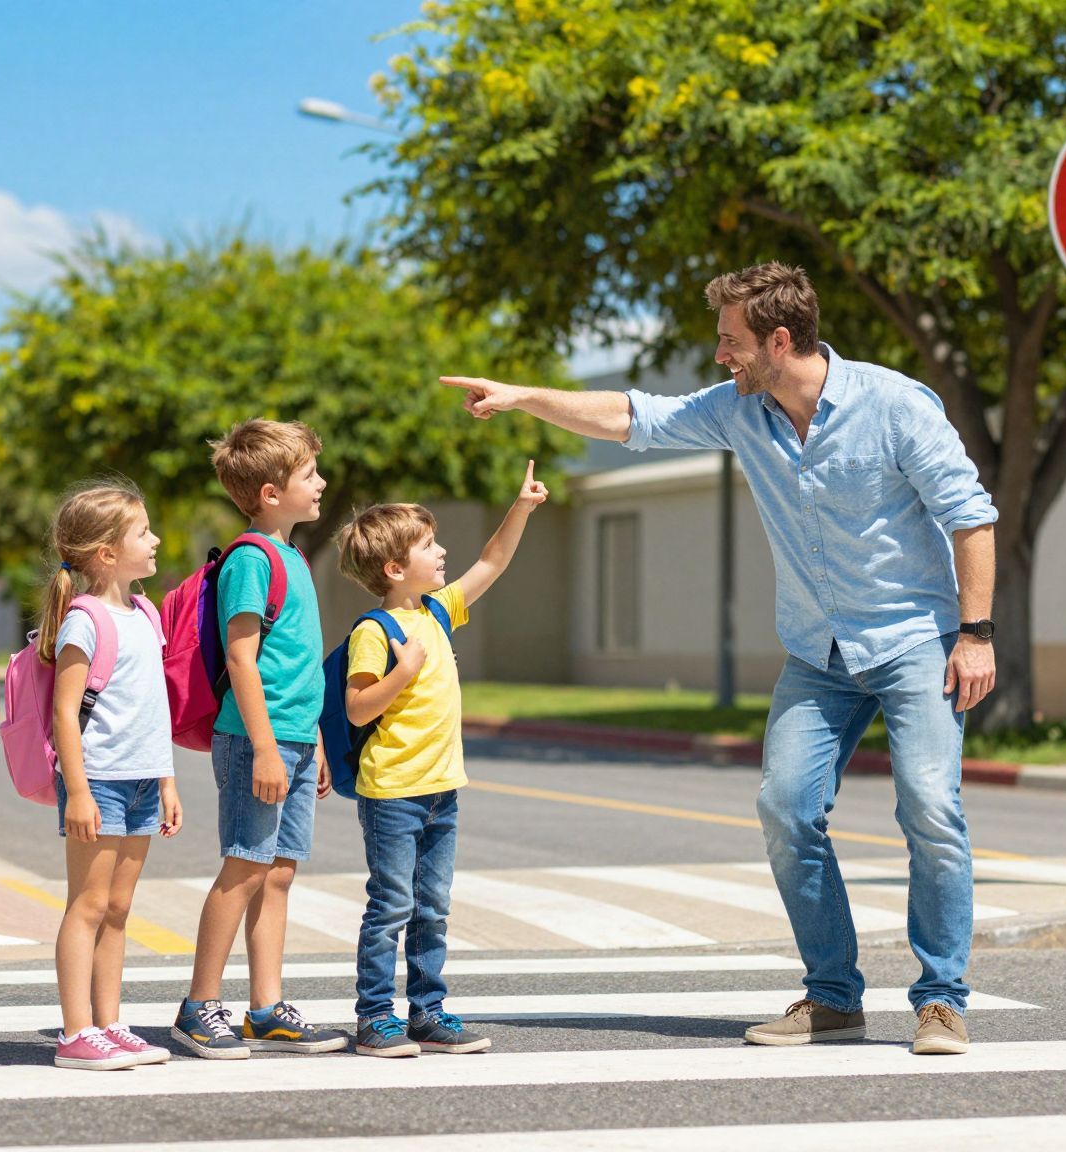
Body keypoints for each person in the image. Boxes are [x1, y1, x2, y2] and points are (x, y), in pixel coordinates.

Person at [440, 261, 998, 1057]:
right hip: (818, 648)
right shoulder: (742, 411)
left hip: (916, 639)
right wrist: (524, 397)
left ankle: (941, 1001)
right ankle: (834, 996)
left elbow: (971, 519)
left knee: (930, 809)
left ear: (779, 339)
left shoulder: (896, 406)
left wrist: (975, 635)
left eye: (729, 341)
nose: (717, 357)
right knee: (785, 808)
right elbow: (631, 416)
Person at [332, 463, 548, 1057]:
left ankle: (427, 1011)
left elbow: (493, 562)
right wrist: (402, 674)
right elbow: (356, 709)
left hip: (441, 788)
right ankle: (376, 1017)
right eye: (429, 545)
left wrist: (521, 507)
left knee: (432, 907)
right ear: (395, 568)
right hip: (393, 791)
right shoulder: (376, 631)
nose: (442, 550)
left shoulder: (437, 610)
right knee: (392, 905)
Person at [172, 419, 349, 1059]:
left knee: (277, 874)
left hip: (294, 741)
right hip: (256, 742)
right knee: (245, 865)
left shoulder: (295, 556)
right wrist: (269, 747)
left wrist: (314, 743)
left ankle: (267, 1009)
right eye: (309, 474)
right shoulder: (252, 559)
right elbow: (244, 661)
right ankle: (198, 1006)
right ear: (271, 492)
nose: (322, 482)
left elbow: (297, 664)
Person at [42, 477, 181, 1071]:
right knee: (89, 904)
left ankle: (109, 1022)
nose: (155, 540)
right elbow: (64, 713)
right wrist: (76, 791)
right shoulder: (85, 620)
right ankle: (76, 1033)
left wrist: (168, 780)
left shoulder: (145, 612)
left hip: (144, 778)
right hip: (97, 781)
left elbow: (155, 708)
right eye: (142, 532)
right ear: (106, 554)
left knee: (120, 908)